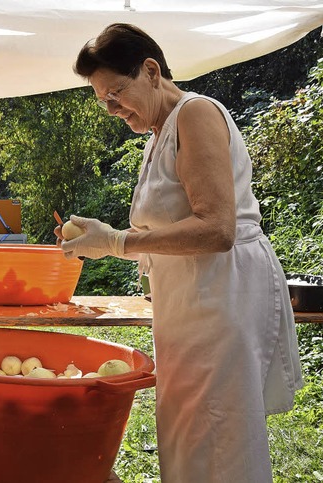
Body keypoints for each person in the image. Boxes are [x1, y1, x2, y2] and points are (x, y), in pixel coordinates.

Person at [57, 23, 303, 483]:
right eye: (102, 100)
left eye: (116, 92)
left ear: (151, 71)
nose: (111, 108)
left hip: (221, 295)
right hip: (187, 301)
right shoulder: (157, 133)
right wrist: (102, 239)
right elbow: (166, 234)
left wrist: (116, 241)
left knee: (220, 431)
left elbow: (216, 230)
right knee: (187, 429)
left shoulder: (195, 113)